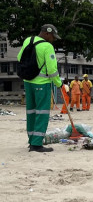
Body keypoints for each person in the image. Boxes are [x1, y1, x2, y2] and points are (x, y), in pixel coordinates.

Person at [17, 24, 63, 152]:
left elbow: (19, 57)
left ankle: (31, 140)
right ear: (47, 33)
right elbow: (52, 69)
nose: (53, 39)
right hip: (41, 84)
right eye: (53, 36)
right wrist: (59, 84)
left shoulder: (28, 40)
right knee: (42, 113)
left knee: (31, 112)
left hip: (28, 81)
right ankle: (37, 144)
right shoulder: (47, 46)